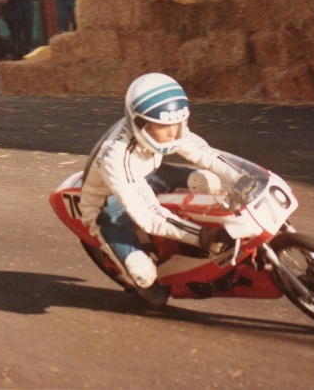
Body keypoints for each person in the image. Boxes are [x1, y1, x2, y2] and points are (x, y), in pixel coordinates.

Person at [79, 73, 246, 305]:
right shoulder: (116, 157)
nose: (174, 132)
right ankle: (133, 271)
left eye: (179, 123)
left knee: (207, 181)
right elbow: (150, 217)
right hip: (109, 205)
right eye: (164, 125)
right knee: (146, 280)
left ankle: (189, 238)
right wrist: (202, 236)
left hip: (147, 175)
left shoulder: (168, 126)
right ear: (140, 124)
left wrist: (247, 176)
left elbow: (206, 154)